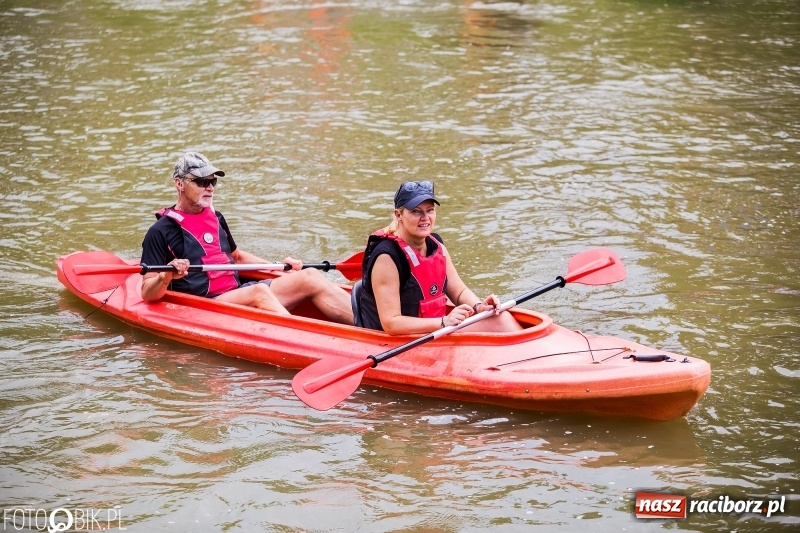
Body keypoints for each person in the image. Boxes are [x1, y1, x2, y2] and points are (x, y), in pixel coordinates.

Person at [140, 152, 354, 325]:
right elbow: (148, 293)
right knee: (259, 292)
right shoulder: (160, 232)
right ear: (179, 184)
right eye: (201, 181)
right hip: (208, 304)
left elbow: (238, 257)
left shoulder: (216, 218)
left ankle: (371, 325)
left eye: (212, 181)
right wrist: (165, 276)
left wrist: (279, 266)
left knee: (310, 276)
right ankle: (309, 340)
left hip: (238, 293)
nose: (210, 187)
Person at [356, 180, 522, 335]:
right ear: (398, 215)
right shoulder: (387, 257)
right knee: (502, 322)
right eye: (416, 211)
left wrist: (479, 307)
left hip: (436, 331)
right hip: (405, 340)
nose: (425, 217)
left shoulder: (437, 246)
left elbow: (459, 291)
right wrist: (443, 322)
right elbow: (391, 323)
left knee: (500, 317)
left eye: (430, 210)